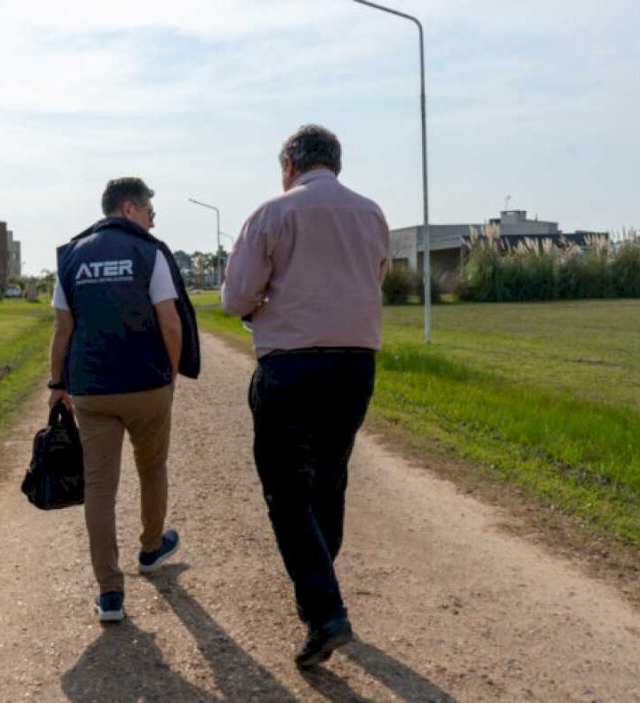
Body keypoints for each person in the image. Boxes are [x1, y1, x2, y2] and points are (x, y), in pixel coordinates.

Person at [221, 125, 390, 667]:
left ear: (290, 162)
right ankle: (321, 587)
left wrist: (265, 301)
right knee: (331, 476)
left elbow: (236, 296)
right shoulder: (372, 214)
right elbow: (376, 278)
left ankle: (325, 610)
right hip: (355, 367)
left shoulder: (273, 213)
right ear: (335, 163)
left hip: (291, 366)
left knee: (288, 491)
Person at [48, 177, 200, 622]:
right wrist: (169, 376)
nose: (153, 220)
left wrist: (57, 382)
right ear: (130, 208)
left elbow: (63, 330)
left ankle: (110, 593)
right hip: (147, 385)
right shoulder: (148, 252)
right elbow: (170, 324)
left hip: (92, 390)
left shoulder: (71, 256)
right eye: (150, 211)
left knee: (100, 487)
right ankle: (151, 549)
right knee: (151, 468)